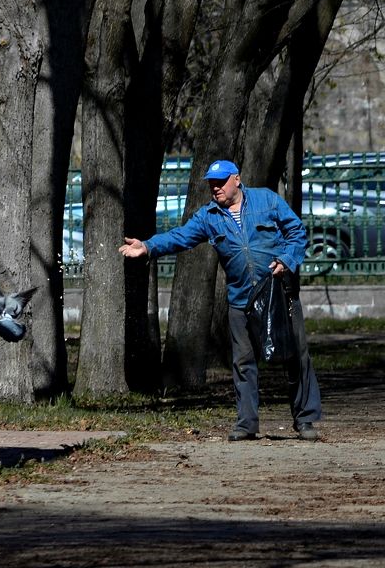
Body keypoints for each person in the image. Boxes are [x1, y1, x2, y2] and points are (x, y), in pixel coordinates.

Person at [119, 159, 322, 442]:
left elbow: (297, 232)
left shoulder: (267, 200)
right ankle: (247, 424)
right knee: (243, 362)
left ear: (236, 179)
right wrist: (148, 246)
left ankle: (305, 420)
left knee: (297, 356)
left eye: (220, 182)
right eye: (211, 184)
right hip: (241, 300)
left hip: (279, 294)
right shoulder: (209, 217)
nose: (215, 188)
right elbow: (181, 237)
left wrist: (287, 260)